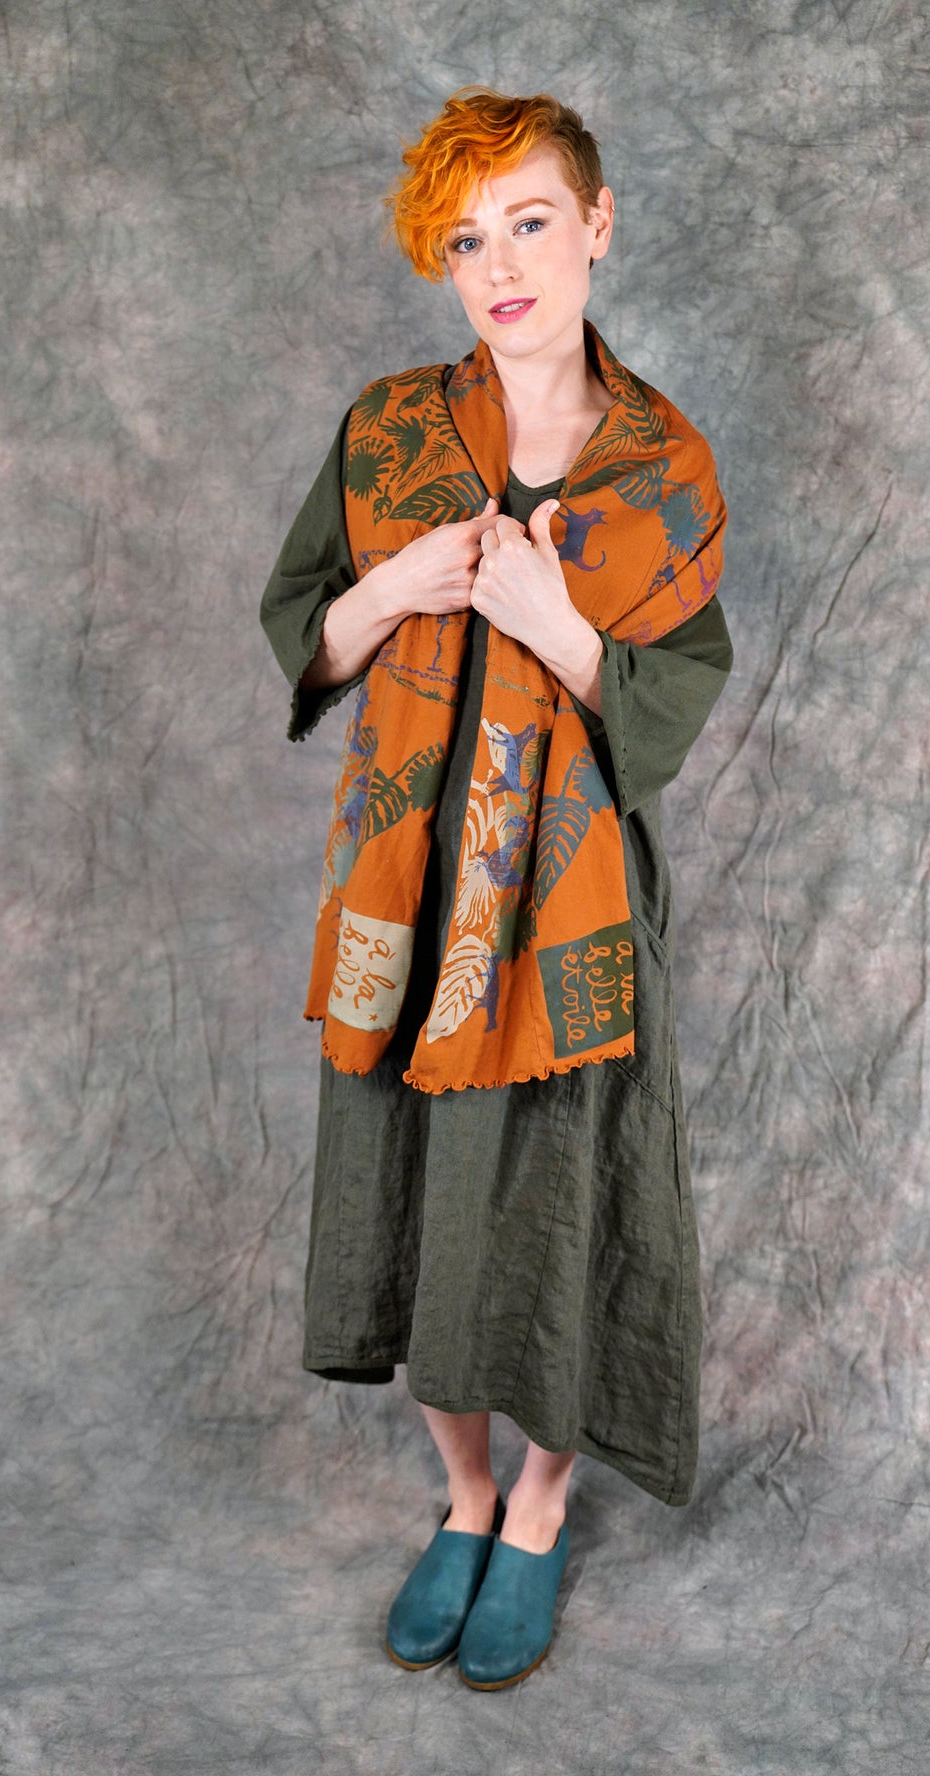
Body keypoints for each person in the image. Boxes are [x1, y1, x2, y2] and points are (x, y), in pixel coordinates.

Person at [259, 87, 733, 1690]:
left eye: (530, 223)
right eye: (467, 240)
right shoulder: (389, 430)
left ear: (597, 226)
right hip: (406, 903)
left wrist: (560, 631)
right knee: (410, 1202)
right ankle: (462, 1495)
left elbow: (669, 702)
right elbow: (309, 634)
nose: (501, 267)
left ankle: (538, 1507)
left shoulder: (665, 467)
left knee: (554, 1204)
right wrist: (390, 585)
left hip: (568, 905)